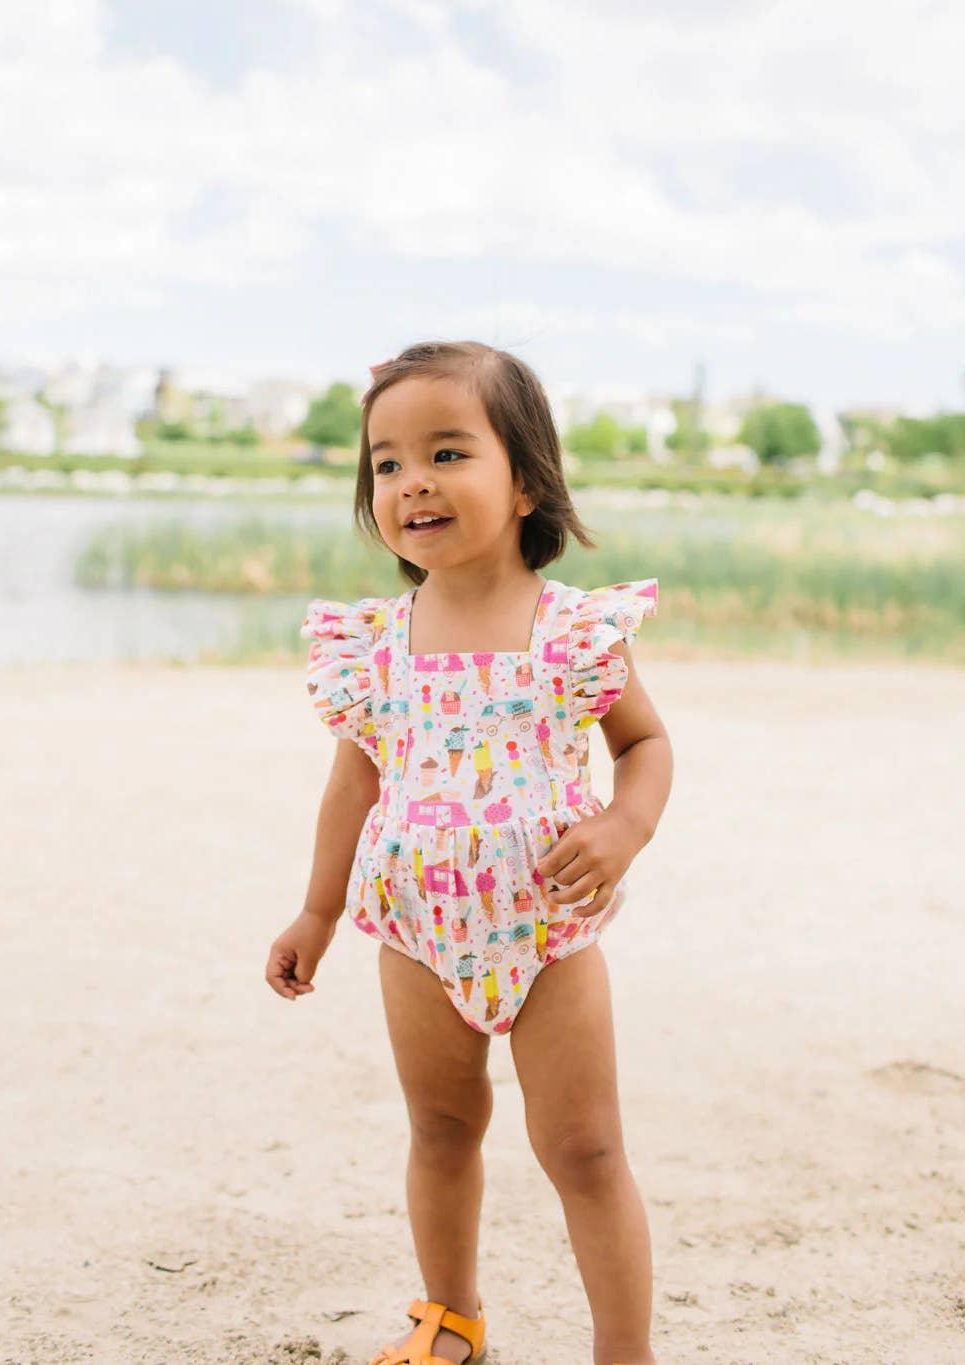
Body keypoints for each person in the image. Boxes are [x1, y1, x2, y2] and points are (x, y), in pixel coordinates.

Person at [265, 341, 673, 1365]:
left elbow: (644, 746)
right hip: (413, 931)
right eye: (388, 463)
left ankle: (623, 1350)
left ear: (526, 477)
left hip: (548, 933)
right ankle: (450, 1316)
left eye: (447, 453)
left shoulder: (573, 630)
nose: (412, 484)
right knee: (441, 1133)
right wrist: (317, 913)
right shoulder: (378, 641)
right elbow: (352, 781)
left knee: (583, 1147)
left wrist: (623, 827)